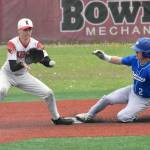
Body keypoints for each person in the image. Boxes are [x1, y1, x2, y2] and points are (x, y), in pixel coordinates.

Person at [0, 18, 73, 125]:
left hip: (23, 76)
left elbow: (45, 60)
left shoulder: (36, 44)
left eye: (29, 30)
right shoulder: (12, 43)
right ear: (19, 30)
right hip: (6, 75)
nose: (27, 32)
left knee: (48, 93)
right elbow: (12, 67)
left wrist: (48, 62)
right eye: (25, 30)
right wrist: (24, 62)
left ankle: (56, 118)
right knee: (2, 90)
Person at [76, 37, 150, 123]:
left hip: (143, 98)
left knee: (123, 117)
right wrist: (105, 57)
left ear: (146, 54)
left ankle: (132, 115)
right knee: (107, 99)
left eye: (138, 51)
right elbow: (119, 60)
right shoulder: (135, 59)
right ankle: (88, 115)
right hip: (132, 90)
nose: (135, 52)